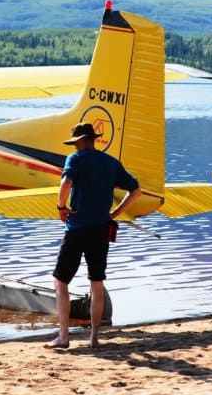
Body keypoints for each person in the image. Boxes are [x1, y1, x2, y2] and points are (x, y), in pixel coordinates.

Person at [45, 123, 142, 349]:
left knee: (60, 281)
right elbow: (135, 191)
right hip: (100, 229)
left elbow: (66, 182)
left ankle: (63, 336)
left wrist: (61, 206)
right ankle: (94, 338)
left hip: (77, 228)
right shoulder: (111, 163)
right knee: (96, 283)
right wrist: (114, 214)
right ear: (94, 139)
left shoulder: (75, 159)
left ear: (78, 141)